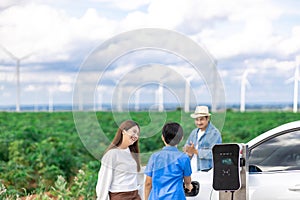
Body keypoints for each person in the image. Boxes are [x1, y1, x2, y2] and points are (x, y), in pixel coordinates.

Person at [144, 122, 193, 200]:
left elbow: (148, 183)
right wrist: (188, 186)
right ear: (181, 138)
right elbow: (187, 180)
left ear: (163, 137)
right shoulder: (184, 158)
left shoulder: (154, 157)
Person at [96, 120, 142, 200]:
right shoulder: (112, 154)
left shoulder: (132, 153)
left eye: (138, 134)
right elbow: (104, 180)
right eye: (134, 132)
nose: (136, 136)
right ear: (123, 132)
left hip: (135, 194)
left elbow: (138, 176)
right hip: (120, 196)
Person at [184, 105, 222, 172]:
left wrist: (196, 151)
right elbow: (187, 147)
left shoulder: (214, 133)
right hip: (192, 170)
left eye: (201, 119)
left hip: (206, 171)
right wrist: (188, 151)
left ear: (207, 118)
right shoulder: (194, 132)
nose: (199, 122)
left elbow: (215, 153)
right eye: (196, 120)